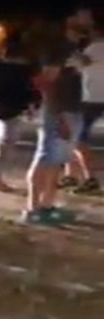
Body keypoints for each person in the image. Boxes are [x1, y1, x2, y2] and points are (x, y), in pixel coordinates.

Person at [23, 50, 81, 225]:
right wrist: (60, 117)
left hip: (66, 112)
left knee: (54, 162)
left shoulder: (72, 51)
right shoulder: (59, 50)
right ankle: (33, 209)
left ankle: (46, 206)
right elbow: (45, 84)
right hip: (58, 114)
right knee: (45, 159)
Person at [0, 34, 35, 191]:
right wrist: (29, 106)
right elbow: (25, 91)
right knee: (5, 144)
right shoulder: (21, 70)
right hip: (8, 109)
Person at [62, 22, 104, 193]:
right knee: (75, 137)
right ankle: (70, 175)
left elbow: (74, 65)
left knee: (77, 139)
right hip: (96, 97)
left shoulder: (93, 48)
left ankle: (89, 178)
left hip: (91, 99)